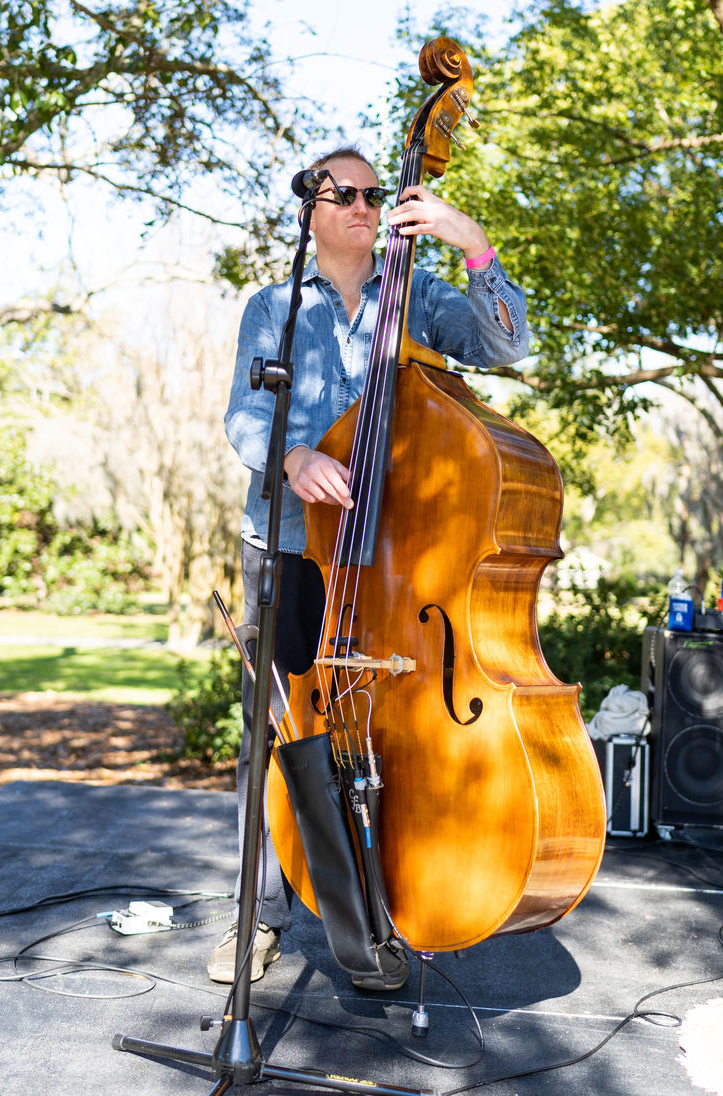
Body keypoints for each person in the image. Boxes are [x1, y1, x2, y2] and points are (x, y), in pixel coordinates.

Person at [210, 146, 529, 990]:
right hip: (288, 547)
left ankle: (384, 906)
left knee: (389, 733)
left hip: (396, 569)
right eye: (341, 194)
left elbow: (506, 344)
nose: (361, 204)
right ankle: (259, 922)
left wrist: (474, 243)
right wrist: (294, 456)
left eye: (371, 193)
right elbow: (246, 419)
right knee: (276, 737)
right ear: (310, 212)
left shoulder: (416, 294)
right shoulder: (273, 308)